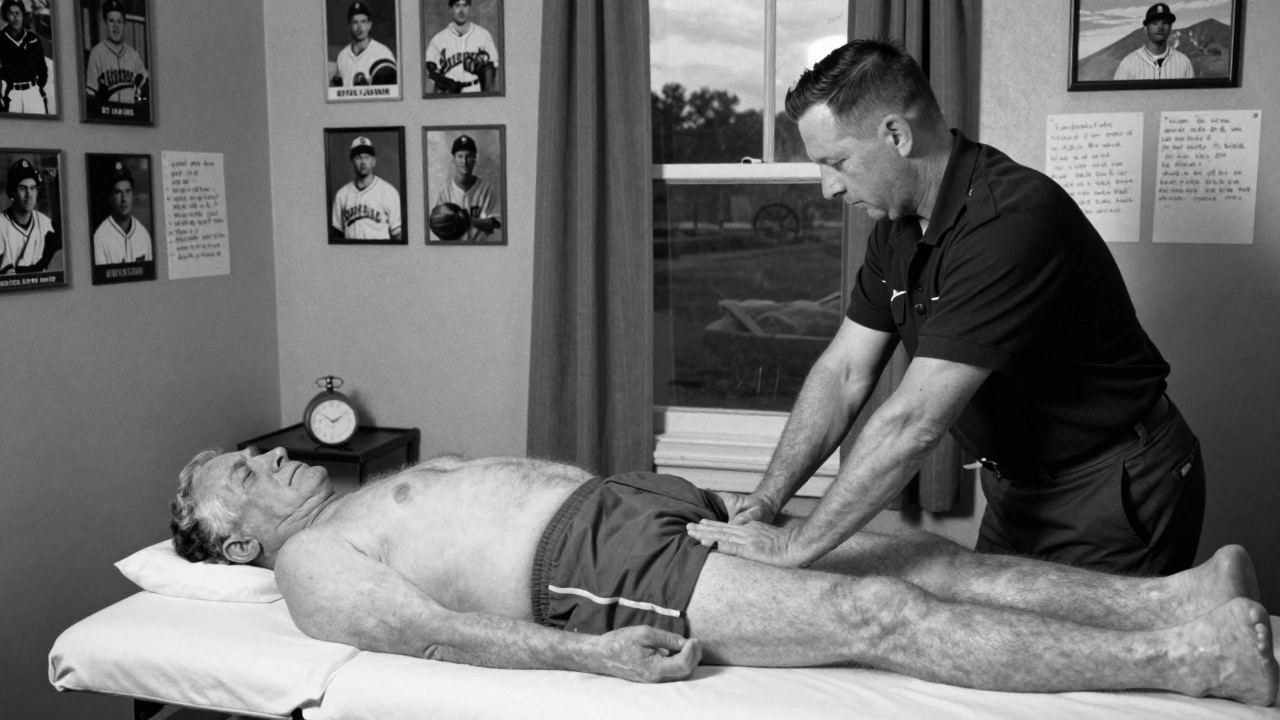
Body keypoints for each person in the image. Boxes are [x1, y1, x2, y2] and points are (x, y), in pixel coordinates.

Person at [167, 447, 1276, 703]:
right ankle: (1188, 660)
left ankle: (1168, 595)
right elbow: (425, 635)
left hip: (636, 504)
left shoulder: (360, 489)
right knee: (874, 610)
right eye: (240, 473)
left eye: (255, 452)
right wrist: (586, 656)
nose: (267, 456)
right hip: (600, 566)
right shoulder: (309, 562)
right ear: (230, 543)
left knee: (912, 545)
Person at [684, 39, 1205, 577]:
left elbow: (915, 422)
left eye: (836, 162)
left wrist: (797, 545)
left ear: (896, 134)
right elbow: (843, 374)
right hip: (1016, 489)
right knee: (990, 641)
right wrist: (768, 502)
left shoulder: (1011, 220)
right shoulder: (896, 229)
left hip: (1109, 482)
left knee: (1088, 657)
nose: (827, 188)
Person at [84, 0, 149, 118]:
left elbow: (145, 87)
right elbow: (90, 94)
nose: (116, 26)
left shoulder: (134, 56)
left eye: (119, 21)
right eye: (111, 21)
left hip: (130, 119)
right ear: (105, 24)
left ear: (124, 24)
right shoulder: (97, 53)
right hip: (106, 119)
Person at [331, 135, 402, 241]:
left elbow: (398, 234)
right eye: (358, 157)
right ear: (352, 162)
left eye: (366, 157)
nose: (363, 162)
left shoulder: (388, 192)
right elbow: (336, 234)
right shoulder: (342, 194)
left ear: (373, 161)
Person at [432, 134, 501, 242]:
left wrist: (468, 221)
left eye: (468, 156)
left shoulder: (487, 189)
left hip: (479, 249)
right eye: (460, 156)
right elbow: (435, 223)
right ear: (454, 159)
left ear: (474, 159)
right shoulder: (444, 190)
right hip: (452, 250)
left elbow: (496, 223)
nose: (464, 161)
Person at [425, 0, 499, 94]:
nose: (461, 10)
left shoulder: (483, 35)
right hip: (449, 94)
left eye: (465, 5)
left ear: (470, 8)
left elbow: (492, 67)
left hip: (475, 90)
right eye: (457, 6)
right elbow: (429, 71)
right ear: (450, 9)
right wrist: (444, 83)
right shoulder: (438, 39)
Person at [0, 158, 59, 274]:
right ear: (12, 192)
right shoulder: (1, 224)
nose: (29, 195)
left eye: (33, 188)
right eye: (22, 188)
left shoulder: (47, 224)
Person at [1114, 3, 1195, 81]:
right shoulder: (1128, 63)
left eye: (1165, 23)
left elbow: (1192, 94)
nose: (1160, 27)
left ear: (1170, 28)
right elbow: (1117, 94)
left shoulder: (1183, 62)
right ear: (1146, 29)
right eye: (1155, 23)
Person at [93, 161, 152, 265]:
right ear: (110, 197)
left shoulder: (143, 235)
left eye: (127, 191)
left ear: (133, 195)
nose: (124, 199)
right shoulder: (100, 238)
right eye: (118, 192)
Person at [331, 1, 397, 89]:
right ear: (349, 26)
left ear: (369, 25)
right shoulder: (342, 56)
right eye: (355, 22)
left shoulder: (382, 53)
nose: (359, 27)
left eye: (363, 22)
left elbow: (389, 94)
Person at [0, 0, 49, 114]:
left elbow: (42, 67)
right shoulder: (1, 39)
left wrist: (39, 86)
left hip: (32, 92)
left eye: (18, 13)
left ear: (23, 15)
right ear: (6, 16)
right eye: (11, 13)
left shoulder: (33, 38)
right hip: (12, 93)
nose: (15, 16)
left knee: (40, 128)